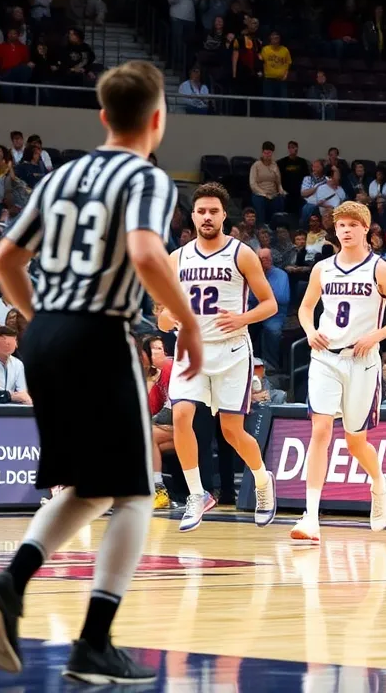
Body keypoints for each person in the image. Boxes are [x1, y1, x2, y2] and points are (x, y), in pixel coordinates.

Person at [0, 61, 202, 683]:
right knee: (137, 487)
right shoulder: (146, 178)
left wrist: (44, 319)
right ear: (158, 119)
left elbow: (4, 259)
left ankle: (11, 583)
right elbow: (149, 253)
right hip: (100, 334)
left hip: (44, 336)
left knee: (92, 487)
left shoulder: (63, 175)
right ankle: (94, 641)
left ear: (103, 117)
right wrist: (190, 322)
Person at [157, 182, 279, 533]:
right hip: (190, 349)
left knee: (231, 431)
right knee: (181, 415)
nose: (207, 217)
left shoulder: (242, 253)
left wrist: (242, 317)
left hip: (231, 351)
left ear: (224, 215)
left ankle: (261, 478)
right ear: (192, 216)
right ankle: (198, 494)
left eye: (213, 211)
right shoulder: (176, 258)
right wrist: (169, 318)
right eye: (201, 211)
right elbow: (162, 314)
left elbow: (270, 304)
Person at [292, 201, 386, 543]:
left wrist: (377, 335)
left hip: (363, 360)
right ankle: (310, 516)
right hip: (326, 357)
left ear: (365, 229)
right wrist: (310, 330)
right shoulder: (322, 268)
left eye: (352, 224)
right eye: (340, 224)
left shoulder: (380, 269)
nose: (345, 229)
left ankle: (379, 481)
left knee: (355, 442)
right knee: (320, 430)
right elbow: (305, 307)